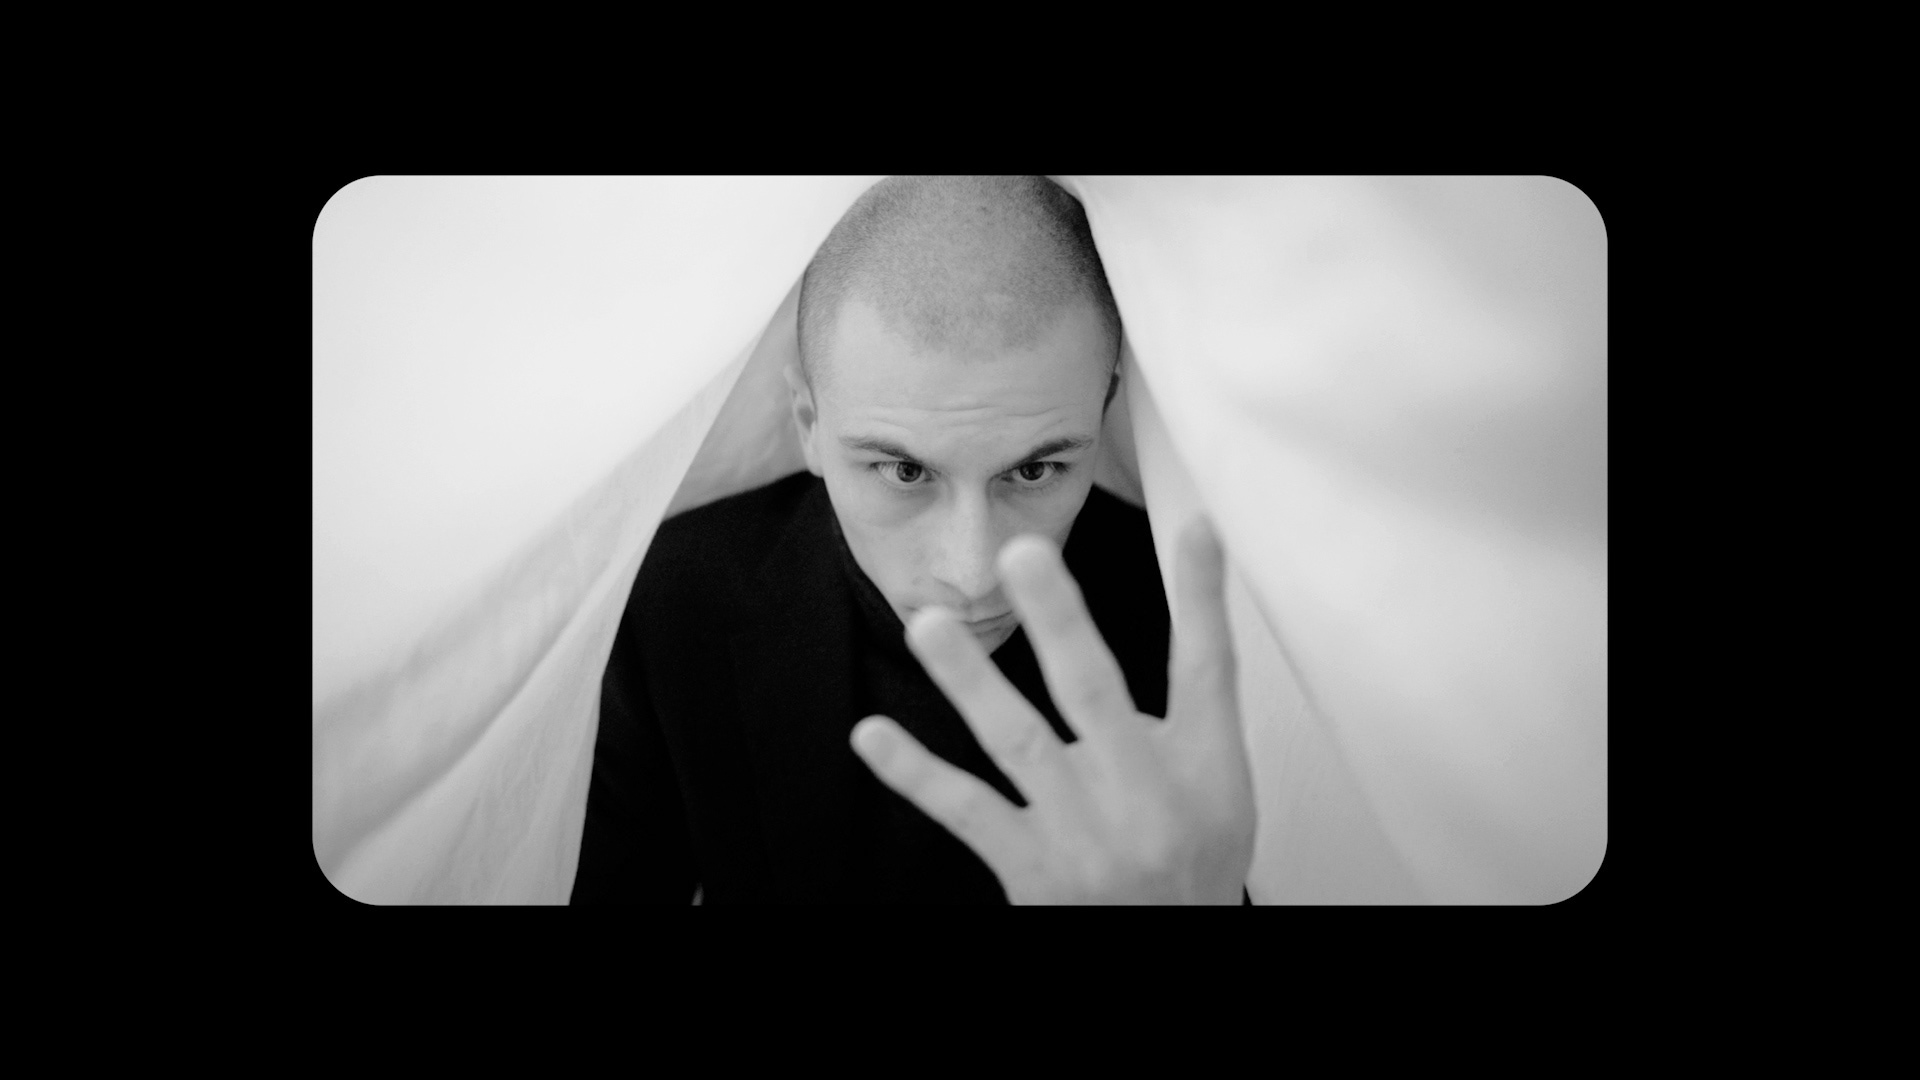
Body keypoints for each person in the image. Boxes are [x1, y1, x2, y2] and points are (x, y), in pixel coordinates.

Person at [572, 176, 1256, 904]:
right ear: (808, 424)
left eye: (1034, 470)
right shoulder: (676, 604)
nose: (972, 573)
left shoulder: (1197, 633)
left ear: (1106, 405)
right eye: (904, 471)